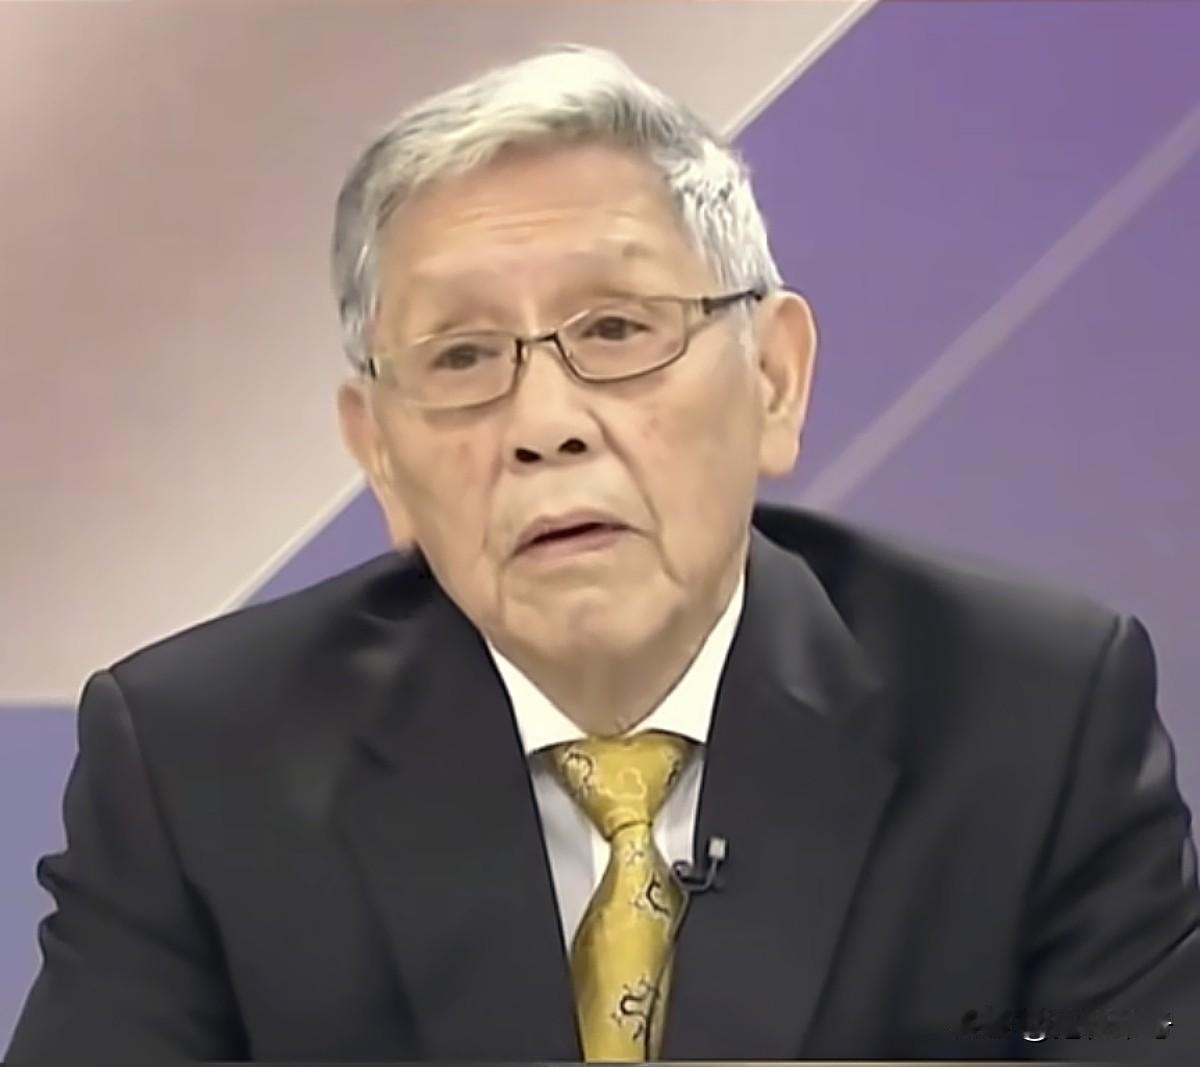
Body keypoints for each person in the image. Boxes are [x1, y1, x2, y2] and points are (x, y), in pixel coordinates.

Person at [6, 46, 1199, 1063]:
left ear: (775, 380)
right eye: (462, 357)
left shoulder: (1031, 717)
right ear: (380, 455)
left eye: (618, 329)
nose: (545, 424)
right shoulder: (197, 764)